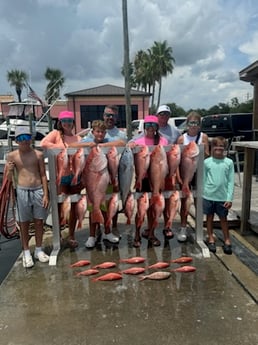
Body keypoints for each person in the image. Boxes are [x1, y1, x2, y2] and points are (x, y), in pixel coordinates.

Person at [69, 120, 125, 248]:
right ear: (93, 132)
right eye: (98, 131)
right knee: (92, 207)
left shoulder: (106, 143)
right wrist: (89, 144)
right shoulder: (87, 142)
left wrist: (102, 146)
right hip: (91, 179)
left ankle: (107, 232)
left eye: (102, 132)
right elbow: (70, 146)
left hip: (106, 178)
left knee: (105, 208)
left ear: (105, 133)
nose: (100, 134)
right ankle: (92, 235)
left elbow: (122, 143)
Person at [6, 126, 49, 268]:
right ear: (17, 141)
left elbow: (43, 174)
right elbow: (9, 179)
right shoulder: (12, 156)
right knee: (23, 223)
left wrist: (46, 194)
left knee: (39, 221)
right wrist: (10, 170)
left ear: (31, 139)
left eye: (26, 138)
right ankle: (25, 251)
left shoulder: (38, 154)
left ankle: (38, 249)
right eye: (20, 139)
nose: (24, 141)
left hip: (38, 190)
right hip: (22, 190)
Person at [40, 110, 83, 249]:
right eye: (64, 121)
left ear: (73, 123)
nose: (67, 124)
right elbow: (43, 143)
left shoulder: (78, 138)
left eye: (69, 121)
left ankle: (71, 235)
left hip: (75, 177)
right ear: (60, 122)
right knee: (59, 207)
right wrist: (62, 148)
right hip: (60, 177)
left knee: (75, 207)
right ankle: (57, 235)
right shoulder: (55, 134)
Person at [128, 115, 169, 247]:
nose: (150, 128)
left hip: (158, 179)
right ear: (144, 127)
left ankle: (151, 233)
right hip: (144, 179)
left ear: (157, 127)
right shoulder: (139, 141)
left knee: (153, 209)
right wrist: (131, 145)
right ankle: (137, 234)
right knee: (141, 208)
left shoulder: (163, 141)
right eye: (148, 125)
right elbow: (130, 150)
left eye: (153, 125)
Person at [176, 111, 210, 242]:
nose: (194, 125)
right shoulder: (181, 139)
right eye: (191, 123)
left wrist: (204, 151)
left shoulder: (204, 137)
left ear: (200, 125)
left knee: (199, 201)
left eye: (196, 123)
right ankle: (183, 227)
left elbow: (207, 156)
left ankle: (200, 227)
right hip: (185, 173)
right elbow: (177, 159)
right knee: (185, 201)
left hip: (199, 173)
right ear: (187, 124)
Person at [203, 136, 234, 255]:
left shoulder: (229, 162)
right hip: (209, 195)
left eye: (221, 146)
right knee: (209, 218)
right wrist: (203, 195)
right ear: (212, 148)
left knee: (223, 219)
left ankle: (227, 239)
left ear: (225, 148)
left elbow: (231, 181)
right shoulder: (207, 162)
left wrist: (229, 198)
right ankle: (210, 237)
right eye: (216, 146)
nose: (219, 148)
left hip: (222, 197)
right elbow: (203, 179)